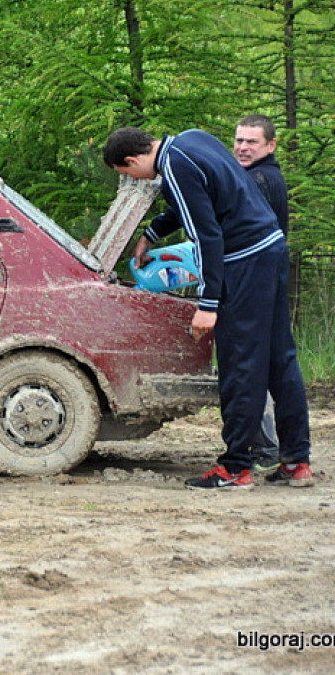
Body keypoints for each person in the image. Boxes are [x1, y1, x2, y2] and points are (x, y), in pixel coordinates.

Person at [103, 127, 312, 489]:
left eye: (126, 174)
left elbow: (206, 235)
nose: (131, 179)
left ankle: (235, 467)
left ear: (133, 161)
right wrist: (152, 233)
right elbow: (204, 197)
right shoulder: (191, 139)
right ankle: (297, 461)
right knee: (280, 359)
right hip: (271, 248)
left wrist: (208, 303)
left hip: (244, 261)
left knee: (240, 363)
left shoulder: (175, 168)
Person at [233, 114, 288, 474]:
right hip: (265, 282)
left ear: (271, 145)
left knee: (253, 366)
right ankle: (272, 446)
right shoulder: (252, 177)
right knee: (264, 364)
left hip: (259, 284)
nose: (242, 147)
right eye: (238, 140)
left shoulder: (260, 180)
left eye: (251, 142)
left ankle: (266, 446)